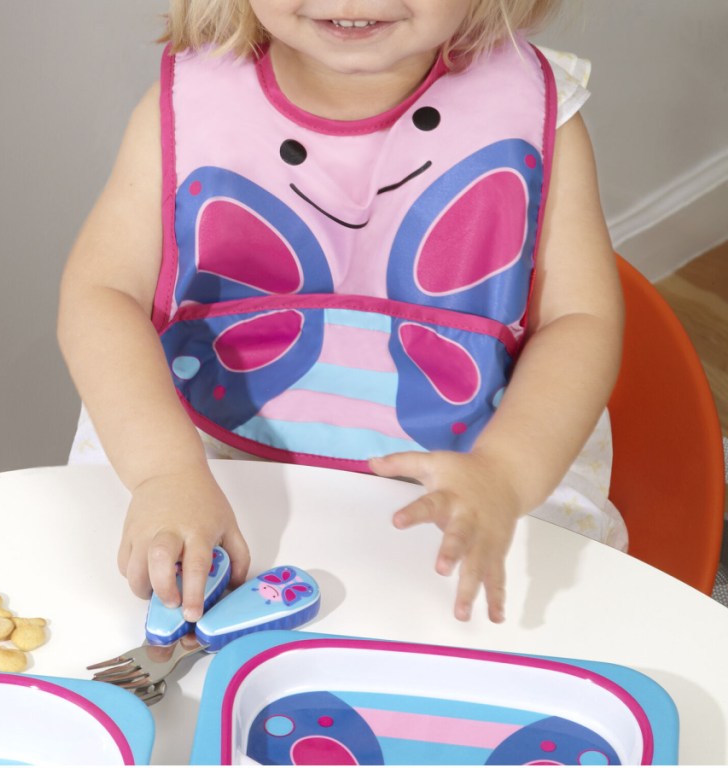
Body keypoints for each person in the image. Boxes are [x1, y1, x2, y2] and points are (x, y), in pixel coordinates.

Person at [58, 0, 625, 625]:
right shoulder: (189, 105)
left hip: (481, 453)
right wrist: (162, 472)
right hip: (204, 446)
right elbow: (102, 292)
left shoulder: (532, 107)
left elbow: (581, 319)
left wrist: (507, 473)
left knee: (509, 625)